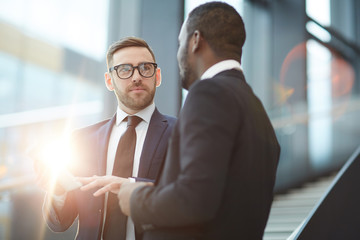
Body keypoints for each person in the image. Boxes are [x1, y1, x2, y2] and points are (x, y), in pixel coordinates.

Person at [114, 2, 281, 240]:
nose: (179, 52)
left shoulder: (209, 94)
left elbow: (195, 200)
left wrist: (135, 198)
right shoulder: (258, 115)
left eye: (180, 43)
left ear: (195, 40)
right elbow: (218, 195)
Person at [34, 37, 176, 240]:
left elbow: (188, 198)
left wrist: (130, 184)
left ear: (157, 76)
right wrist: (57, 192)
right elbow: (59, 223)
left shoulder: (181, 133)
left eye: (145, 68)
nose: (136, 77)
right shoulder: (82, 140)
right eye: (125, 69)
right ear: (109, 81)